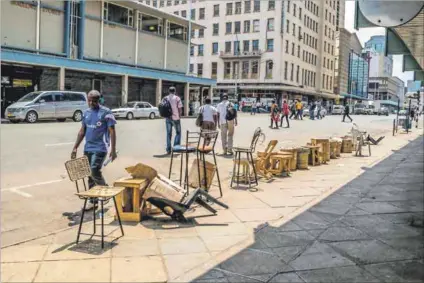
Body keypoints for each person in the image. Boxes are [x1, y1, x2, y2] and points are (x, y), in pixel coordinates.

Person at [71, 90, 117, 210]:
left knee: (94, 170)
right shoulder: (86, 113)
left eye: (94, 100)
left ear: (99, 100)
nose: (91, 103)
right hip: (88, 148)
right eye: (89, 100)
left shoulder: (106, 112)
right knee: (89, 175)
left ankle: (106, 191)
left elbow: (112, 131)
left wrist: (113, 149)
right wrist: (75, 147)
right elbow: (82, 131)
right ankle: (93, 201)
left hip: (101, 148)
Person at [164, 87, 183, 154]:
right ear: (175, 91)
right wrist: (179, 116)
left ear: (169, 91)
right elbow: (180, 109)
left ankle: (168, 149)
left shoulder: (165, 98)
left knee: (168, 134)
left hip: (168, 118)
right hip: (176, 118)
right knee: (178, 133)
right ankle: (176, 148)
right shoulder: (177, 98)